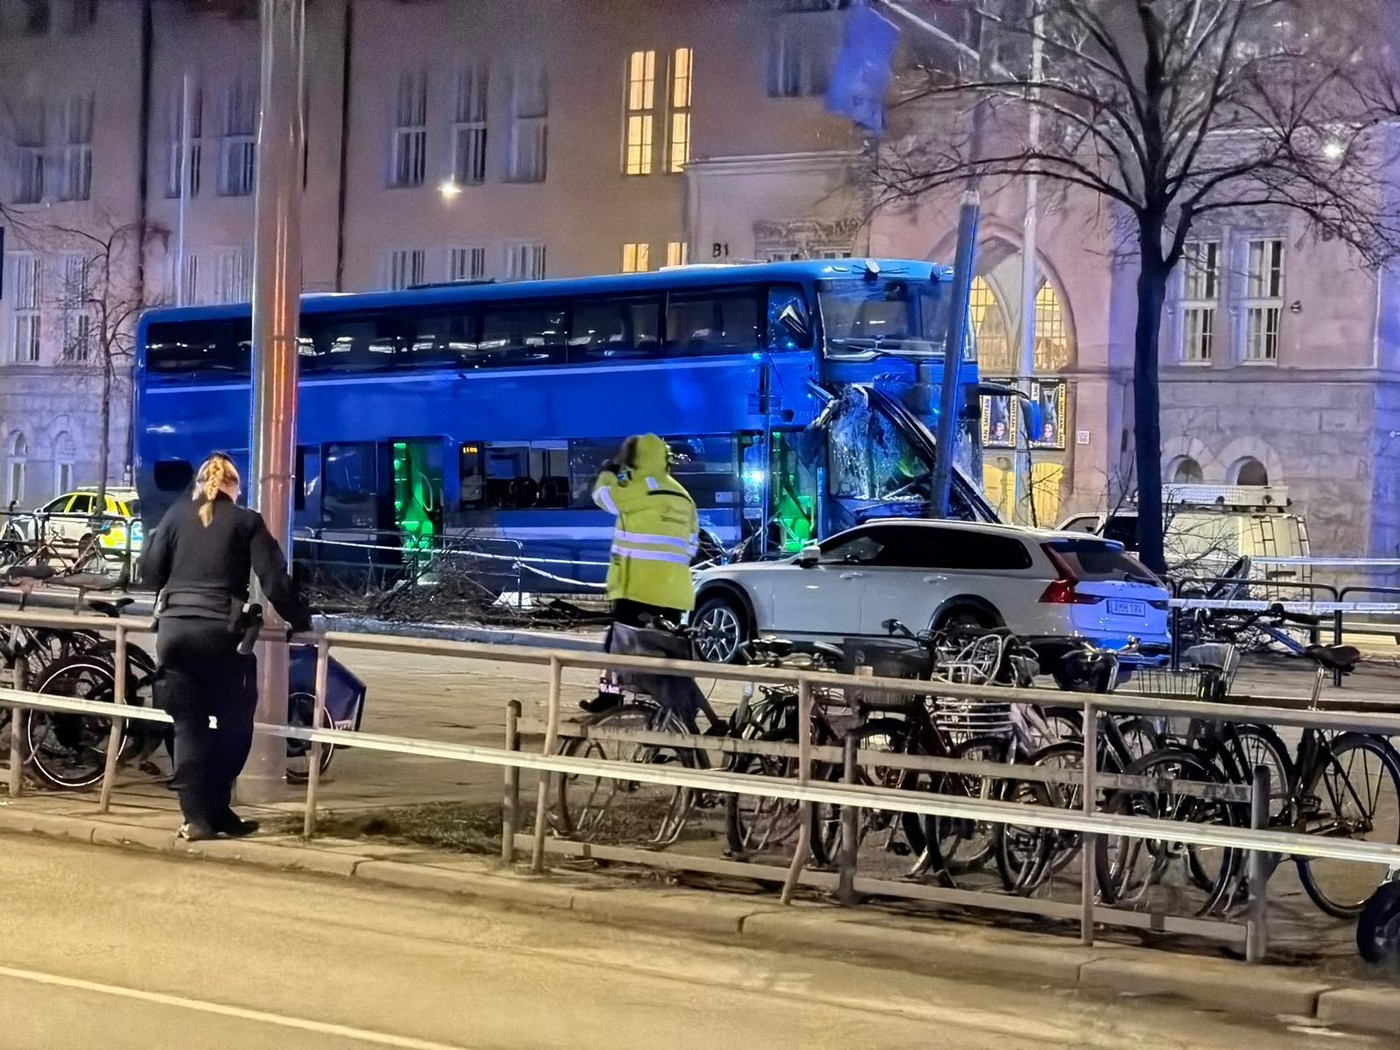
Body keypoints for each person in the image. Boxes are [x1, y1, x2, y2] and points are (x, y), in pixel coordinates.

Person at [140, 453, 312, 841]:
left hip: (174, 634)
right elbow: (274, 582)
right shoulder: (246, 521)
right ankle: (213, 807)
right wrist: (300, 620)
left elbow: (149, 574)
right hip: (221, 635)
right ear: (236, 487)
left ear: (200, 484)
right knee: (235, 724)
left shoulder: (175, 515)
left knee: (188, 725)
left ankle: (201, 817)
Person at [582, 434, 698, 714]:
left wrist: (608, 472)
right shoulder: (683, 495)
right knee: (666, 652)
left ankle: (609, 698)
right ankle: (676, 708)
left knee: (616, 647)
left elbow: (603, 497)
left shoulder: (637, 488)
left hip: (636, 587)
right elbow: (691, 545)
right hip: (673, 591)